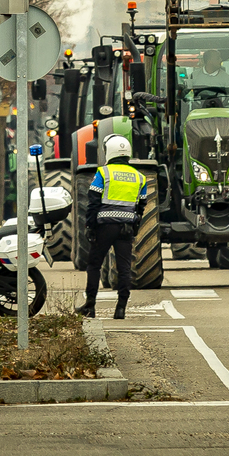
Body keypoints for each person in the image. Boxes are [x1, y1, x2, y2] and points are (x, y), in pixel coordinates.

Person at [75, 135, 148, 320]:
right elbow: (141, 206)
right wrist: (134, 226)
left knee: (94, 265)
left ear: (109, 152)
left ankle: (90, 305)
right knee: (124, 268)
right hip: (126, 228)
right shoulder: (140, 177)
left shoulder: (104, 173)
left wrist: (90, 226)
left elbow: (93, 201)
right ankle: (121, 308)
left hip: (104, 226)